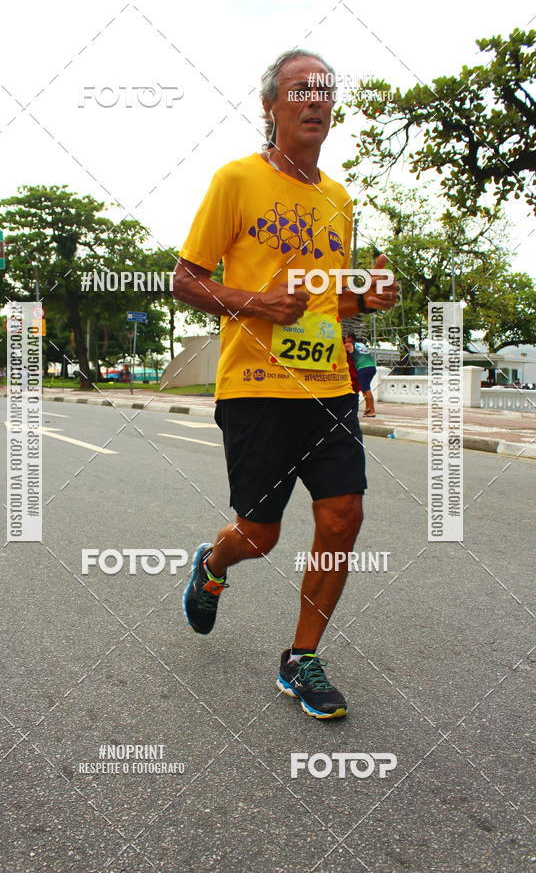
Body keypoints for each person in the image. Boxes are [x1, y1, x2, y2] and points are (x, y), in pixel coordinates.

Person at [173, 49, 398, 719]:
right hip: (255, 389)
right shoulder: (236, 180)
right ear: (271, 107)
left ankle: (301, 659)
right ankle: (213, 564)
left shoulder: (338, 199)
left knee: (343, 515)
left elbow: (324, 303)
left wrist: (369, 300)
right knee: (260, 534)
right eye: (302, 89)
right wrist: (256, 304)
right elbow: (186, 279)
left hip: (327, 389)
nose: (316, 100)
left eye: (326, 91)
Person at [344, 332, 377, 417]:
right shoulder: (361, 344)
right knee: (364, 388)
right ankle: (367, 409)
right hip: (372, 367)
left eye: (346, 338)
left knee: (366, 389)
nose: (345, 339)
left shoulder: (348, 345)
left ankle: (372, 411)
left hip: (363, 368)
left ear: (350, 339)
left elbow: (339, 349)